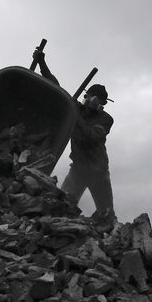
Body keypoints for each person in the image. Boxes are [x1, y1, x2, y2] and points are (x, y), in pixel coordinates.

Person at [32, 46, 116, 227]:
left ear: (102, 104)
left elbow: (90, 136)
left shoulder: (105, 118)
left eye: (99, 100)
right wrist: (42, 63)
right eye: (93, 96)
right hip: (78, 169)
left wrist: (74, 115)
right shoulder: (75, 108)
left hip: (98, 172)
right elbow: (56, 86)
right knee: (62, 207)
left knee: (106, 214)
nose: (94, 101)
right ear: (87, 96)